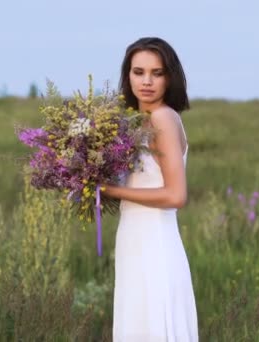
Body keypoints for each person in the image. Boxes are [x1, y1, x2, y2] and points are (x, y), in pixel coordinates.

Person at [102, 37, 198, 342]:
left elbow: (175, 196)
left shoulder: (163, 118)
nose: (146, 81)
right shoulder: (134, 123)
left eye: (157, 73)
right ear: (127, 75)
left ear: (169, 77)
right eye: (138, 72)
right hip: (135, 242)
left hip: (155, 245)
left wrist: (112, 191)